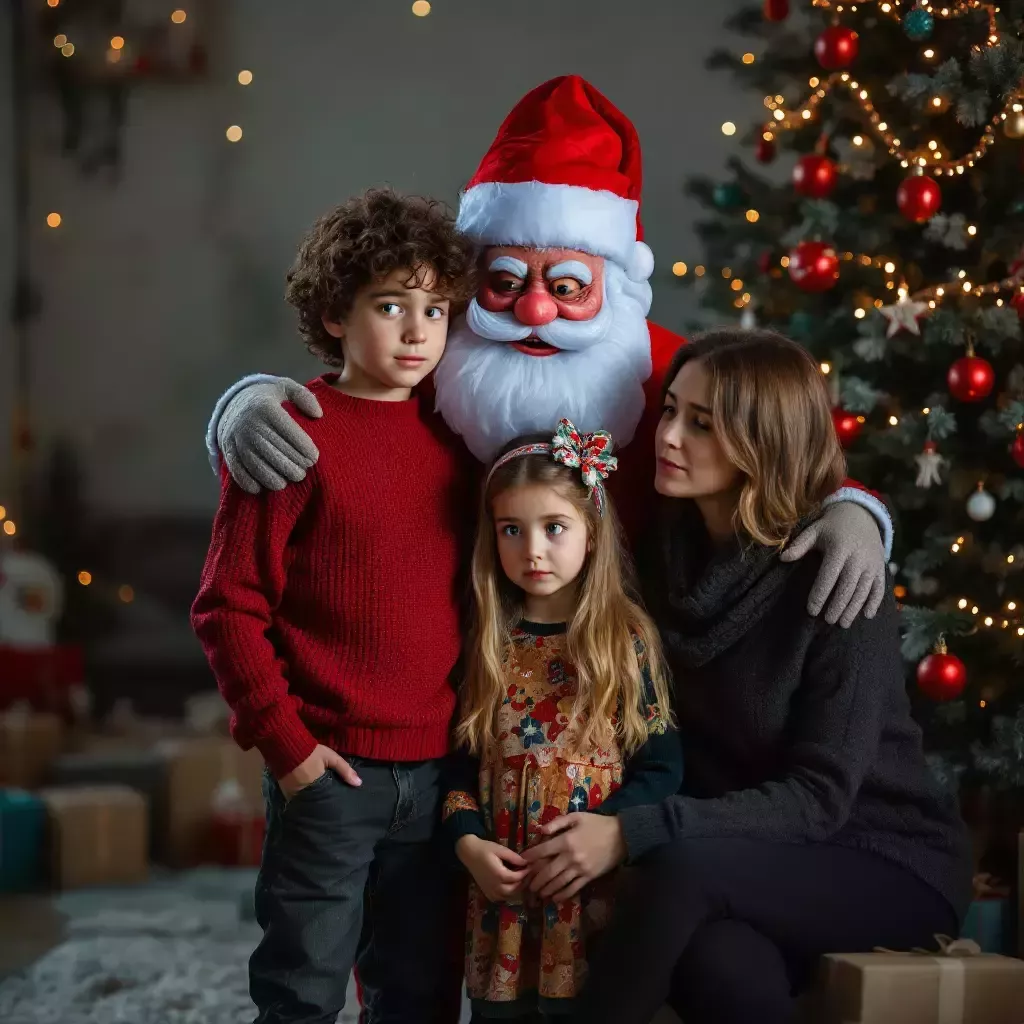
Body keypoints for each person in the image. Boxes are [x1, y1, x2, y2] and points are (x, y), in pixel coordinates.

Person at [203, 75, 892, 629]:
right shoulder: (445, 352)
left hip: (633, 672)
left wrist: (851, 508)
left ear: (614, 282)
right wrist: (247, 399)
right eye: (506, 283)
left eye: (566, 287)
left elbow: (778, 443)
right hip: (467, 677)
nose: (535, 311)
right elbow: (356, 388)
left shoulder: (667, 371)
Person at [519, 329, 972, 1024]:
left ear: (764, 440)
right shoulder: (663, 554)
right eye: (670, 410)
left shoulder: (836, 578)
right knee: (719, 965)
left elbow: (821, 798)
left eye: (702, 424)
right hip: (748, 858)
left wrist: (631, 832)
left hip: (881, 856)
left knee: (676, 871)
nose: (669, 435)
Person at [190, 188, 478, 1024]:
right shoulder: (291, 433)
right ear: (334, 313)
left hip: (437, 776)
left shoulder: (457, 435)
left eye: (435, 308)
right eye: (391, 305)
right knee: (302, 984)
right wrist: (289, 751)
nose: (419, 330)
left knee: (420, 988)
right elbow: (226, 607)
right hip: (329, 771)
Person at [444, 419, 683, 1022]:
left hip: (589, 894)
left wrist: (603, 837)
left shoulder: (623, 640)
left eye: (554, 528)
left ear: (592, 533)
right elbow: (457, 766)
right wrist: (468, 843)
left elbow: (662, 766)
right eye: (512, 530)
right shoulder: (485, 641)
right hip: (501, 901)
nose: (533, 550)